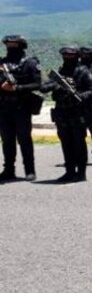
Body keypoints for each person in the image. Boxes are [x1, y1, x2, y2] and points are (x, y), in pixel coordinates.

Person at [40, 46, 92, 182]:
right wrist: (54, 86)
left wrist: (79, 95)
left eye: (71, 55)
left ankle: (81, 173)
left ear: (77, 56)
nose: (68, 57)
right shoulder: (60, 72)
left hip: (76, 111)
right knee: (66, 142)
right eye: (66, 55)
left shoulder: (83, 71)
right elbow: (45, 87)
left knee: (79, 142)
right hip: (61, 111)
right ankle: (69, 171)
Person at [0, 34, 41, 182]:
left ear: (21, 46)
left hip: (22, 107)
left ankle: (30, 170)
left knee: (24, 140)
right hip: (4, 107)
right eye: (8, 45)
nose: (10, 47)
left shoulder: (29, 63)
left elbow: (37, 84)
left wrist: (17, 88)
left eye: (14, 45)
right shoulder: (2, 63)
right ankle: (8, 170)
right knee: (7, 140)